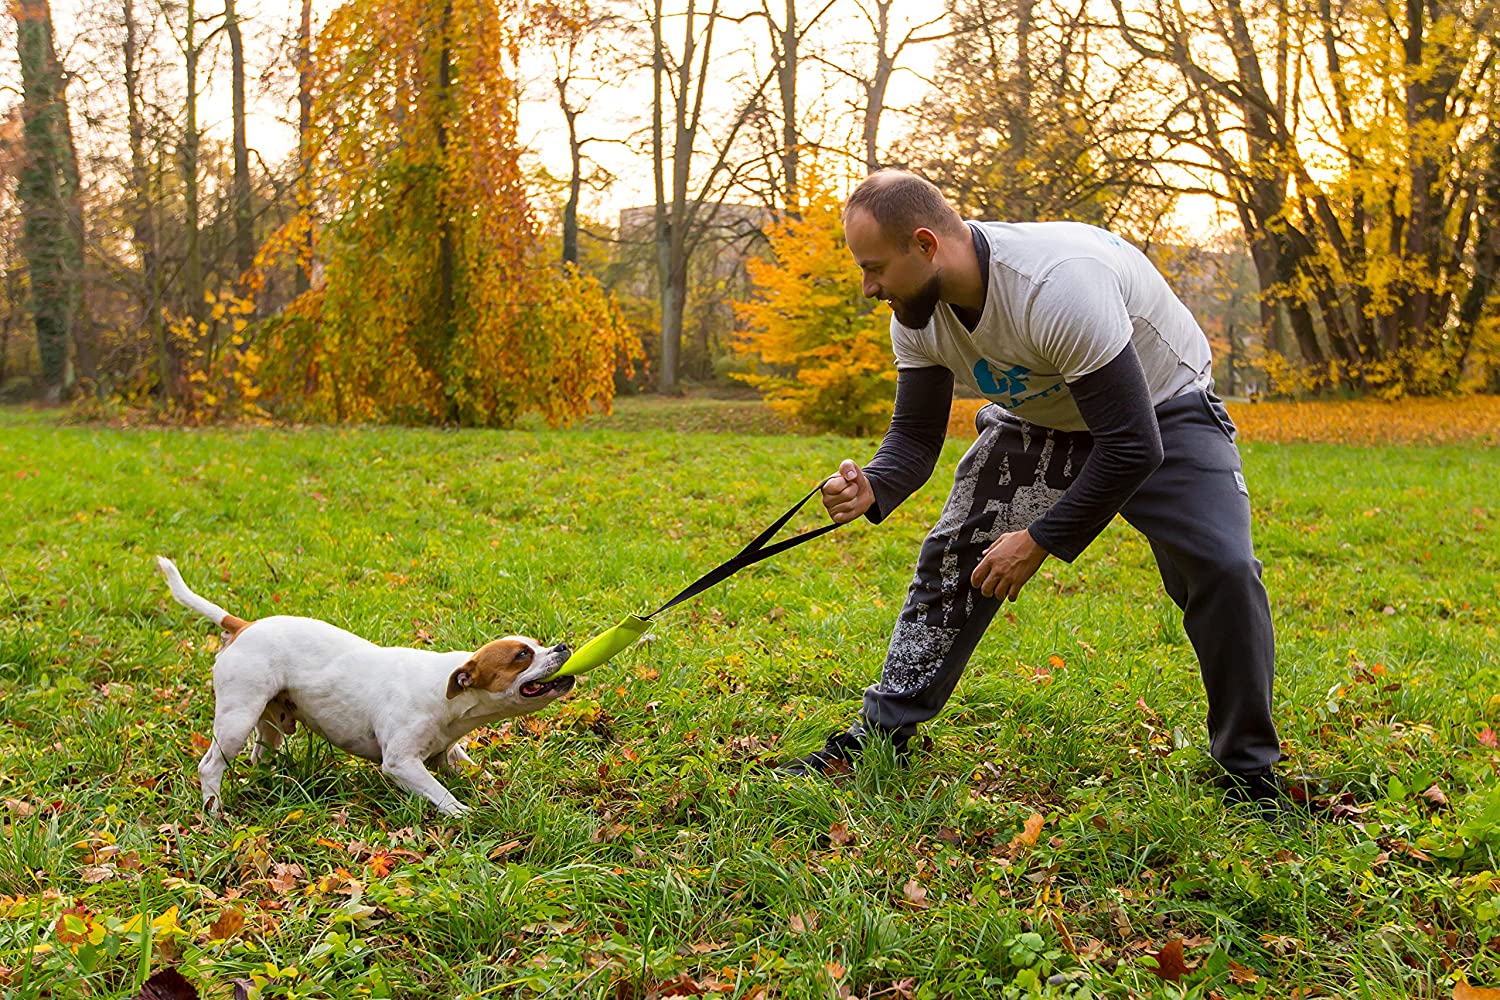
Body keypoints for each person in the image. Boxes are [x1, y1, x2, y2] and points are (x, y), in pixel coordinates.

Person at [779, 169, 1291, 808]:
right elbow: (913, 438)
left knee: (1224, 568)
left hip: (1160, 408)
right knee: (954, 559)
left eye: (875, 267)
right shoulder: (916, 314)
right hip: (1040, 415)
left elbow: (1132, 446)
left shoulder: (1056, 286)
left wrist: (1041, 539)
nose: (867, 286)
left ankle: (1249, 770)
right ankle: (883, 733)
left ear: (926, 244)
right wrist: (872, 487)